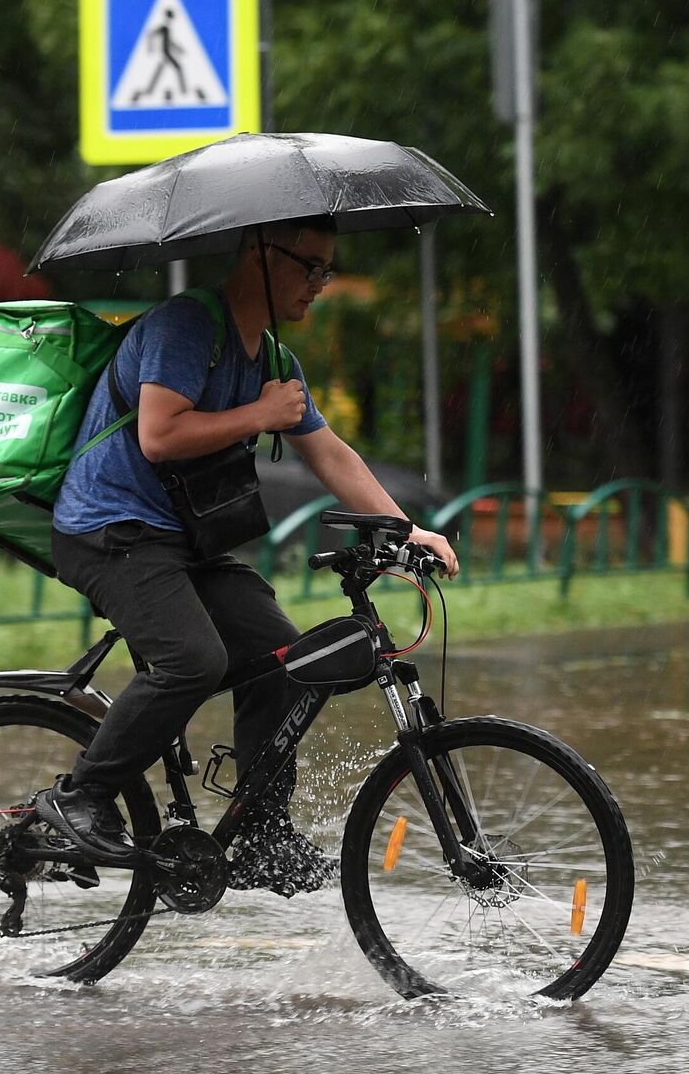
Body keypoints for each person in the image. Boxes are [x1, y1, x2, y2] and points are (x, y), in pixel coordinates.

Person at [35, 215, 459, 896]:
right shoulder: (184, 327)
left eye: (328, 268)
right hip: (108, 528)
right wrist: (260, 416)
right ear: (261, 255)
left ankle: (262, 835)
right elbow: (159, 436)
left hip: (182, 541)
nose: (321, 283)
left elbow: (330, 454)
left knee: (287, 662)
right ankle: (79, 798)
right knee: (191, 659)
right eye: (311, 265)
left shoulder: (273, 361)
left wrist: (406, 532)